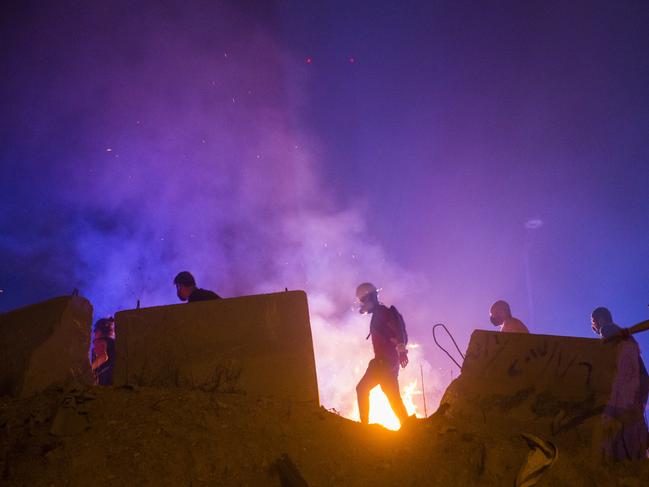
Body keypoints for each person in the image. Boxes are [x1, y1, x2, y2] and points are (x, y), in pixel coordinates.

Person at [591, 306, 649, 460]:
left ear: (601, 319)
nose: (593, 326)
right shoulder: (623, 335)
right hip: (639, 386)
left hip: (629, 389)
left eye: (593, 321)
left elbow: (617, 363)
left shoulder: (607, 329)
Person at [354, 282, 410, 427]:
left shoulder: (383, 313)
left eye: (363, 300)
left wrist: (402, 351)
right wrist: (400, 354)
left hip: (384, 362)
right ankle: (409, 425)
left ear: (371, 298)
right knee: (393, 397)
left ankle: (364, 427)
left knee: (362, 389)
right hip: (390, 362)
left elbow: (397, 332)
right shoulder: (379, 314)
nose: (362, 304)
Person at [91, 317, 115, 386]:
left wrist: (89, 370)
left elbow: (103, 356)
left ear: (98, 331)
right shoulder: (113, 343)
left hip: (105, 379)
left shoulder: (100, 341)